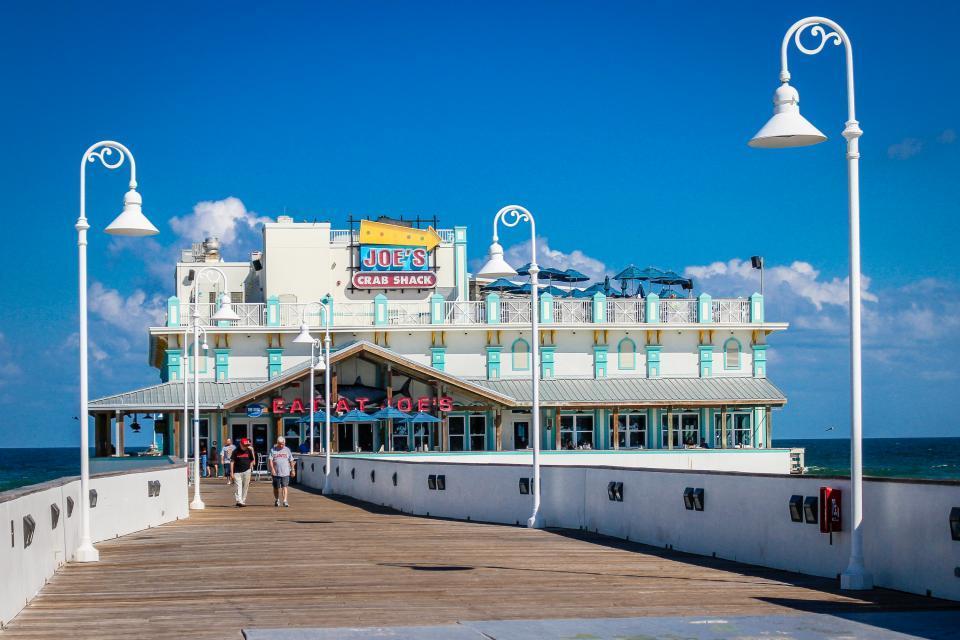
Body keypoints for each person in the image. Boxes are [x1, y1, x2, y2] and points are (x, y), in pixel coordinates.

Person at [268, 436, 295, 507]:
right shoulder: (273, 449)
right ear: (277, 443)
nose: (281, 445)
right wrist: (272, 469)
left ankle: (285, 501)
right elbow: (270, 460)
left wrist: (292, 470)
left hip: (285, 472)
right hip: (276, 472)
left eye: (283, 444)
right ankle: (277, 499)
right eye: (280, 444)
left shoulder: (287, 450)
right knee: (276, 487)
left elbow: (291, 460)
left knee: (284, 486)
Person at [231, 438, 256, 507]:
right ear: (240, 444)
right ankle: (239, 501)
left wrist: (250, 468)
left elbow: (252, 460)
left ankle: (243, 500)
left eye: (247, 445)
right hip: (237, 471)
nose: (245, 447)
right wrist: (231, 472)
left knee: (245, 486)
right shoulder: (235, 451)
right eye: (244, 445)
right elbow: (232, 462)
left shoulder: (249, 450)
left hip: (247, 471)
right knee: (238, 486)